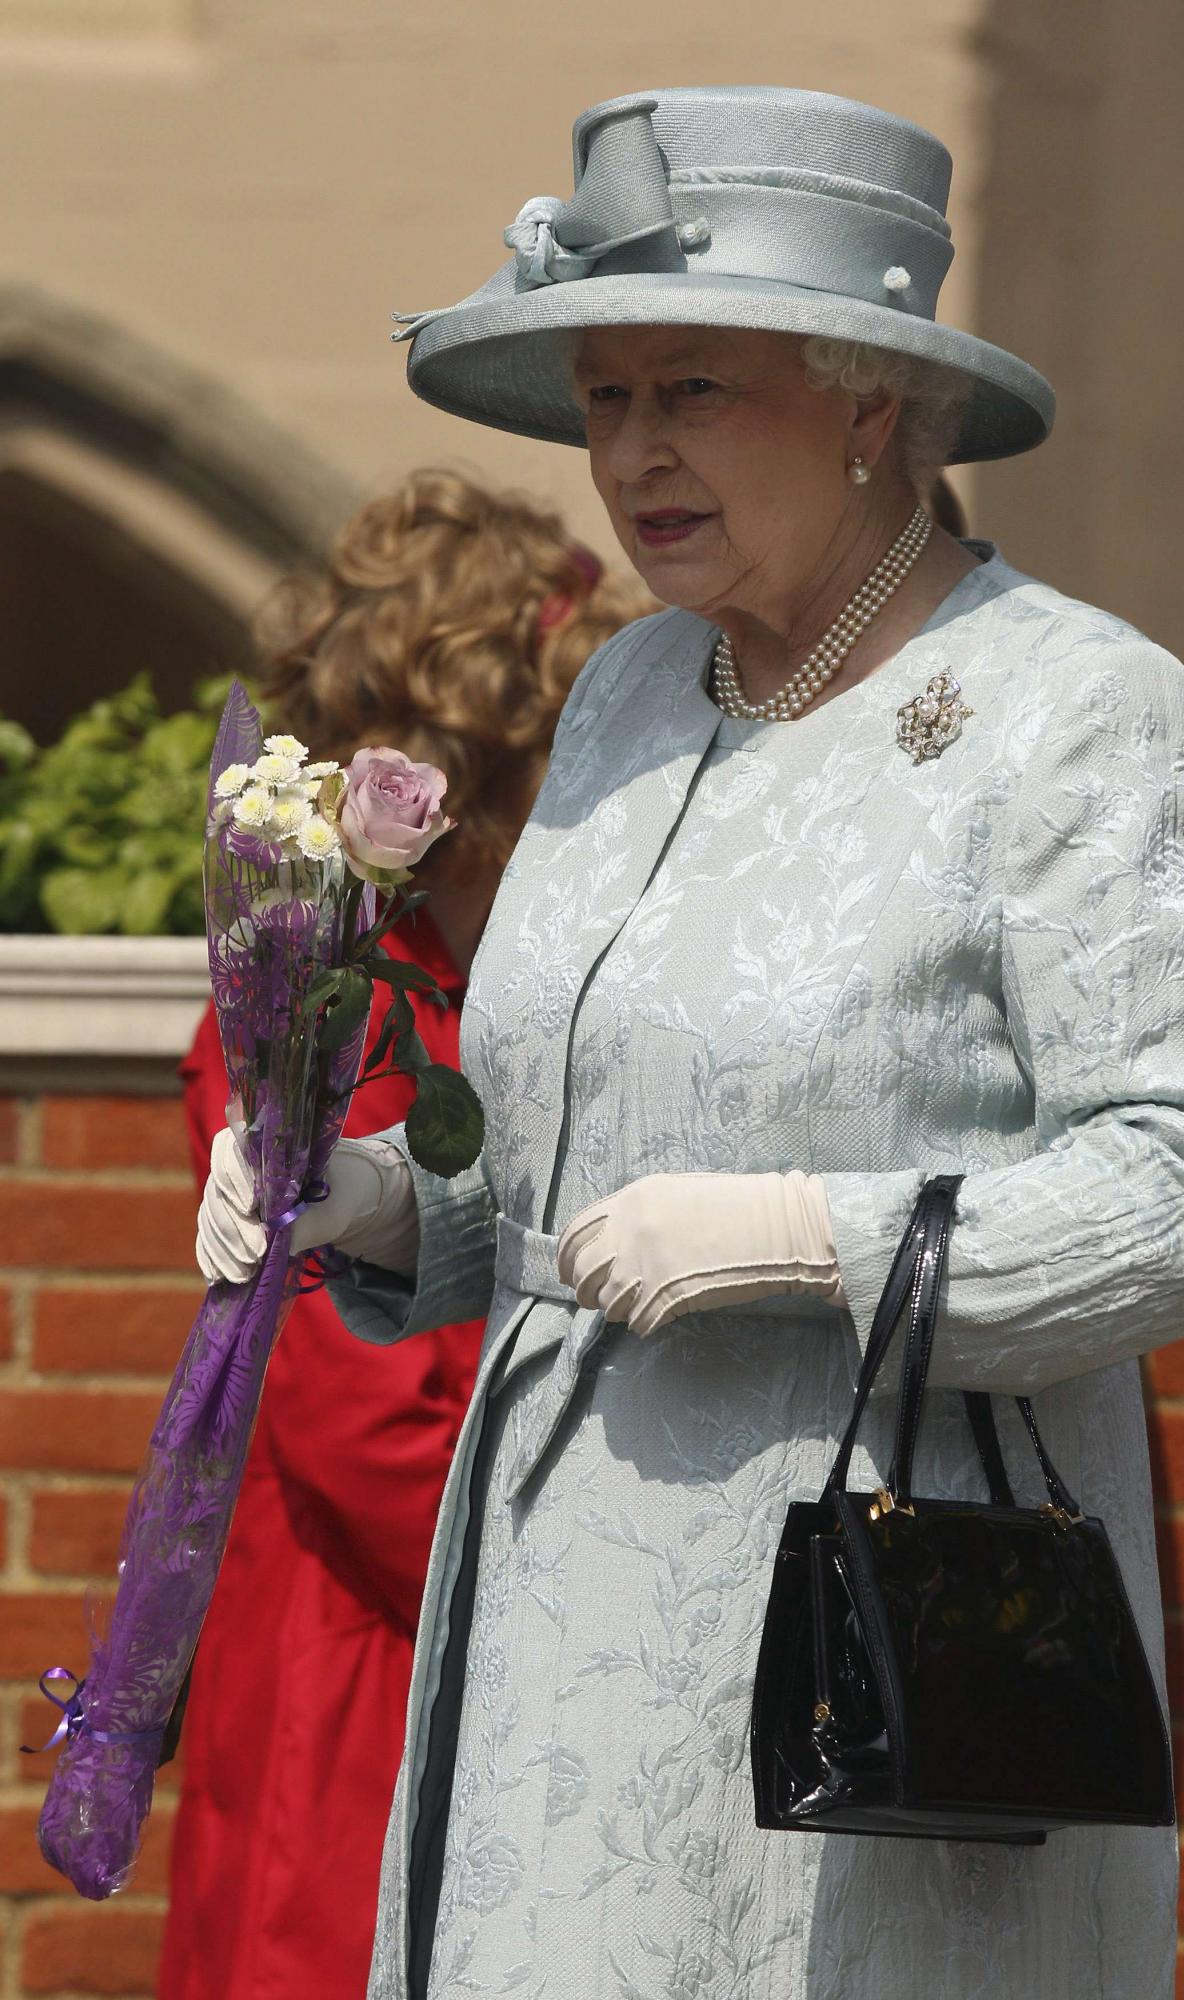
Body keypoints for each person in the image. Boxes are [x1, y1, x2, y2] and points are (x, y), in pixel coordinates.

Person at [196, 89, 1184, 2000]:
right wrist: (366, 1200)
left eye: (691, 389)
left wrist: (817, 1235)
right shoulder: (629, 687)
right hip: (546, 1627)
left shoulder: (1079, 712)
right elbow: (554, 1178)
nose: (629, 455)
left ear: (870, 398)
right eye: (607, 398)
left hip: (870, 1666)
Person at [165, 467, 648, 2000]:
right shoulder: (317, 1006)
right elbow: (360, 1425)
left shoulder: (528, 968)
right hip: (387, 1646)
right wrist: (610, 1611)